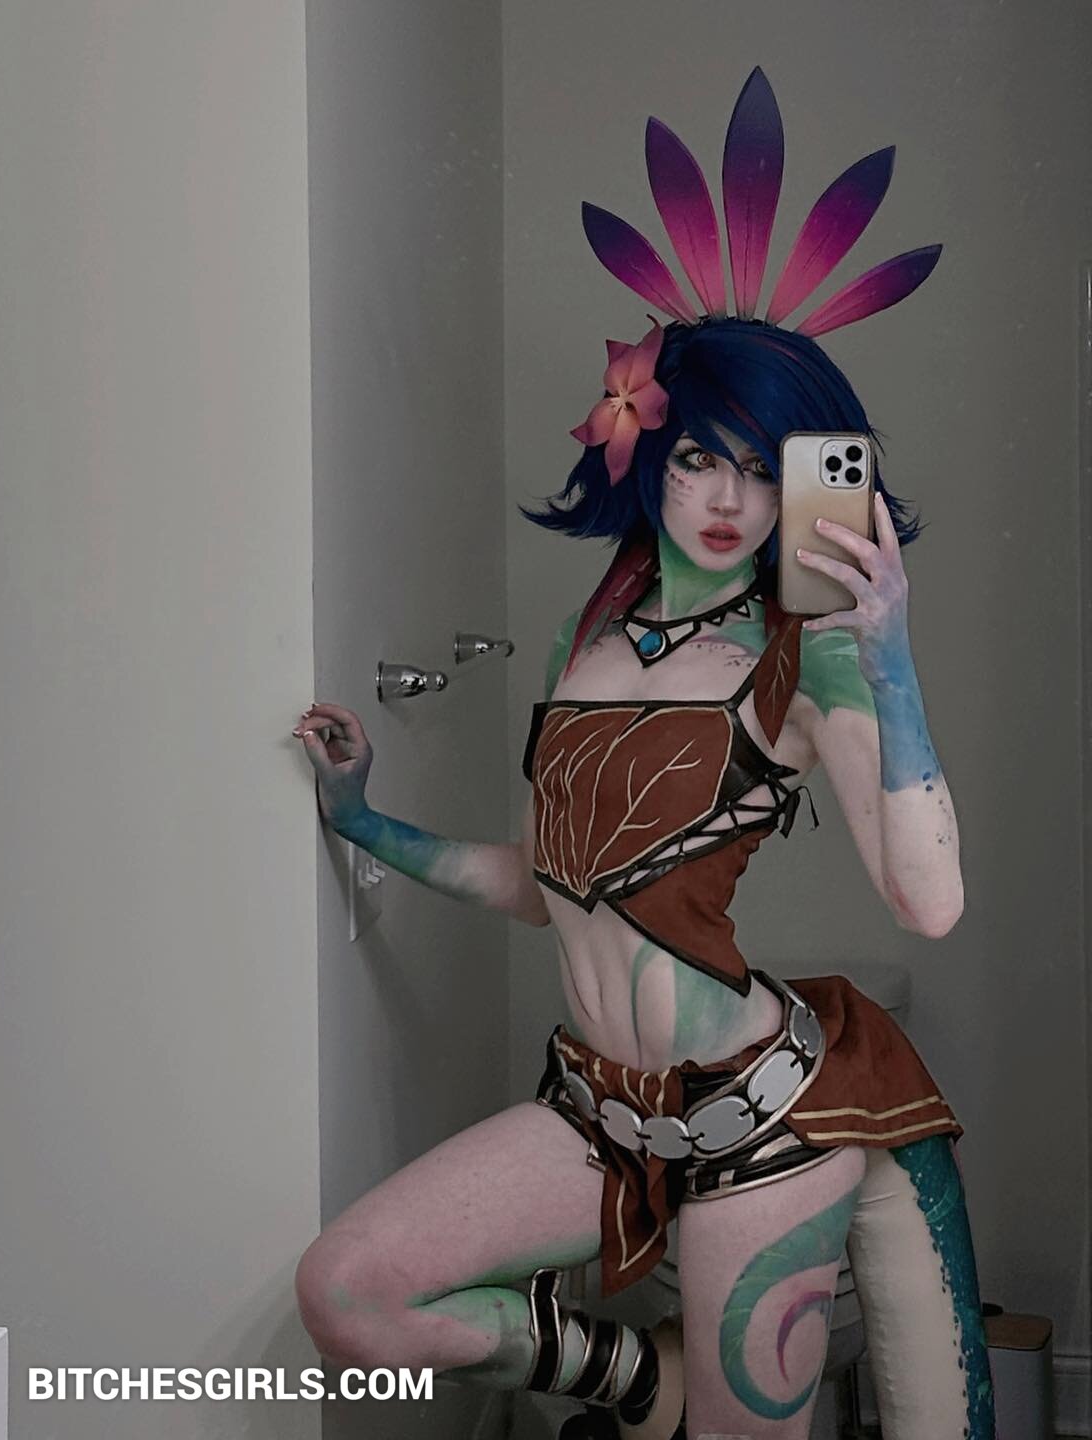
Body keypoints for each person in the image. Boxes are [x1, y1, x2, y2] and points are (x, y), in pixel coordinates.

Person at [292, 68, 995, 1440]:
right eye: (697, 458)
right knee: (349, 1294)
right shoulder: (594, 626)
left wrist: (893, 658)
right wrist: (367, 821)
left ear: (803, 479)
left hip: (759, 1124)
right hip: (593, 1108)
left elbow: (930, 904)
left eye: (763, 465)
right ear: (644, 452)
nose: (728, 498)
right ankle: (640, 1381)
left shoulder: (809, 655)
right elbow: (546, 885)